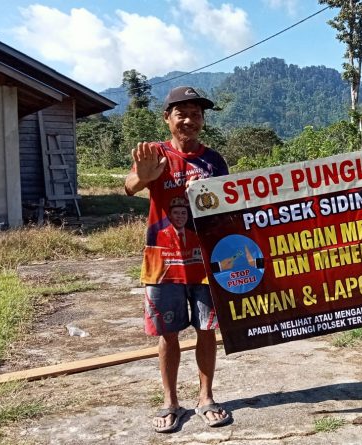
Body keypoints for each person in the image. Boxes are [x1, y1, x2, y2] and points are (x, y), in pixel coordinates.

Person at [125, 86, 231, 433]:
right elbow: (130, 186)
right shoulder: (155, 154)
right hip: (162, 262)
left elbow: (229, 206)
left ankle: (206, 399)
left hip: (206, 262)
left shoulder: (213, 161)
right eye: (181, 114)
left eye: (196, 114)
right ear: (167, 118)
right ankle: (170, 402)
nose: (189, 120)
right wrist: (143, 176)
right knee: (167, 334)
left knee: (207, 331)